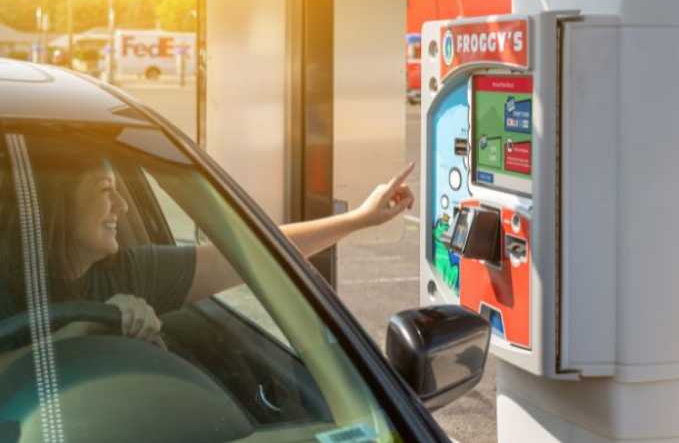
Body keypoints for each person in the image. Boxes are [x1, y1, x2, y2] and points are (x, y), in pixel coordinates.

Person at [0, 145, 414, 349]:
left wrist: (359, 218)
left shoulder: (125, 272)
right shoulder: (8, 290)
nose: (122, 207)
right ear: (58, 204)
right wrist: (81, 332)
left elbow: (252, 252)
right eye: (106, 190)